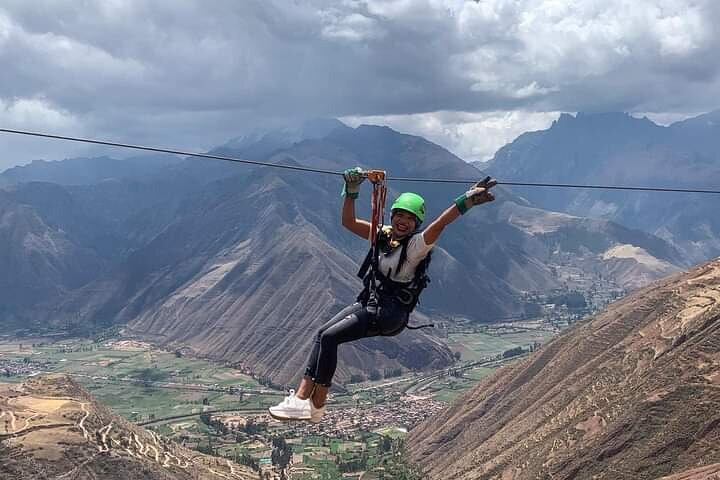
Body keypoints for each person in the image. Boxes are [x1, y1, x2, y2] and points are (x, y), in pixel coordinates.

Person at [268, 168, 497, 422]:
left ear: (416, 224)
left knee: (331, 338)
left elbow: (440, 223)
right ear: (392, 215)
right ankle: (314, 407)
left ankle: (305, 401)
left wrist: (465, 201)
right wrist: (351, 192)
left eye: (409, 219)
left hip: (389, 313)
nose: (403, 221)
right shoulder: (383, 236)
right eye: (399, 214)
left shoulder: (416, 246)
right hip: (371, 302)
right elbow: (349, 222)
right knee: (322, 334)